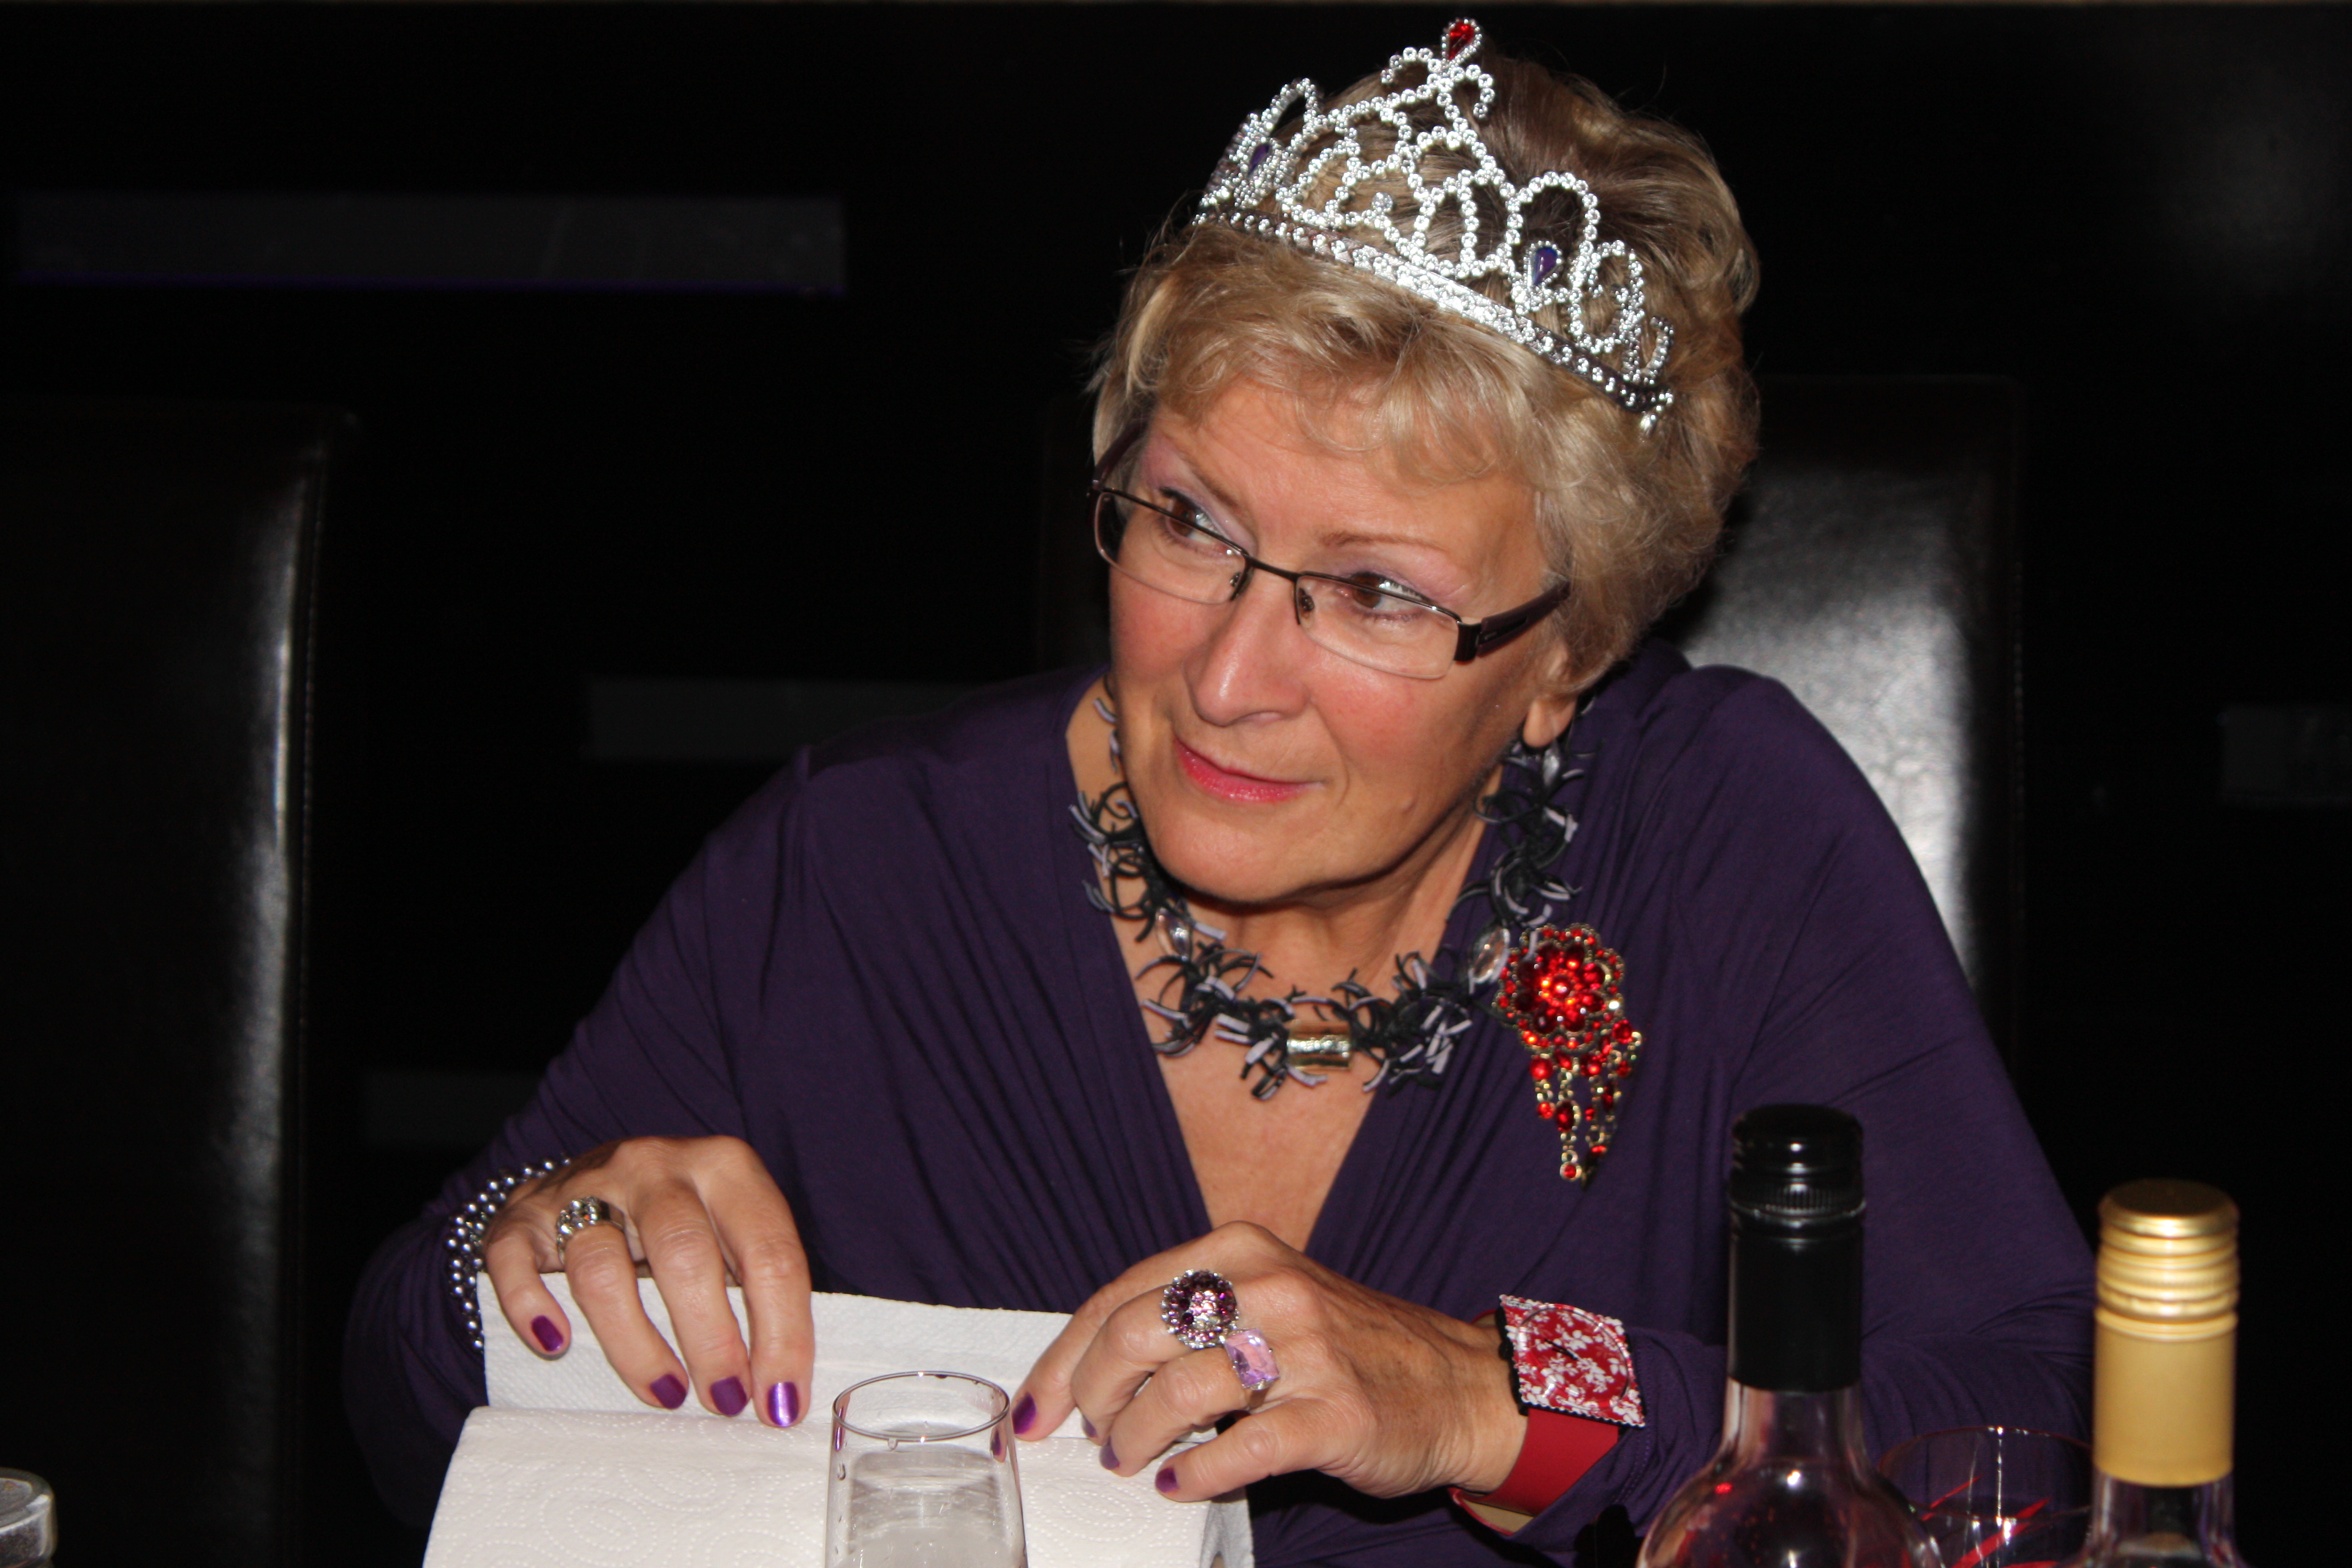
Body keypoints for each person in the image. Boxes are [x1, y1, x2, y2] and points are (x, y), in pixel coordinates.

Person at [347, 20, 2091, 1563]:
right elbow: (401, 1382)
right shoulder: (858, 873)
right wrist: (543, 1238)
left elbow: (2035, 1425)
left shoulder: (1727, 844)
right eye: (1191, 521)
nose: (1231, 674)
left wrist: (1492, 1396)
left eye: (1378, 592)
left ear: (1571, 648)